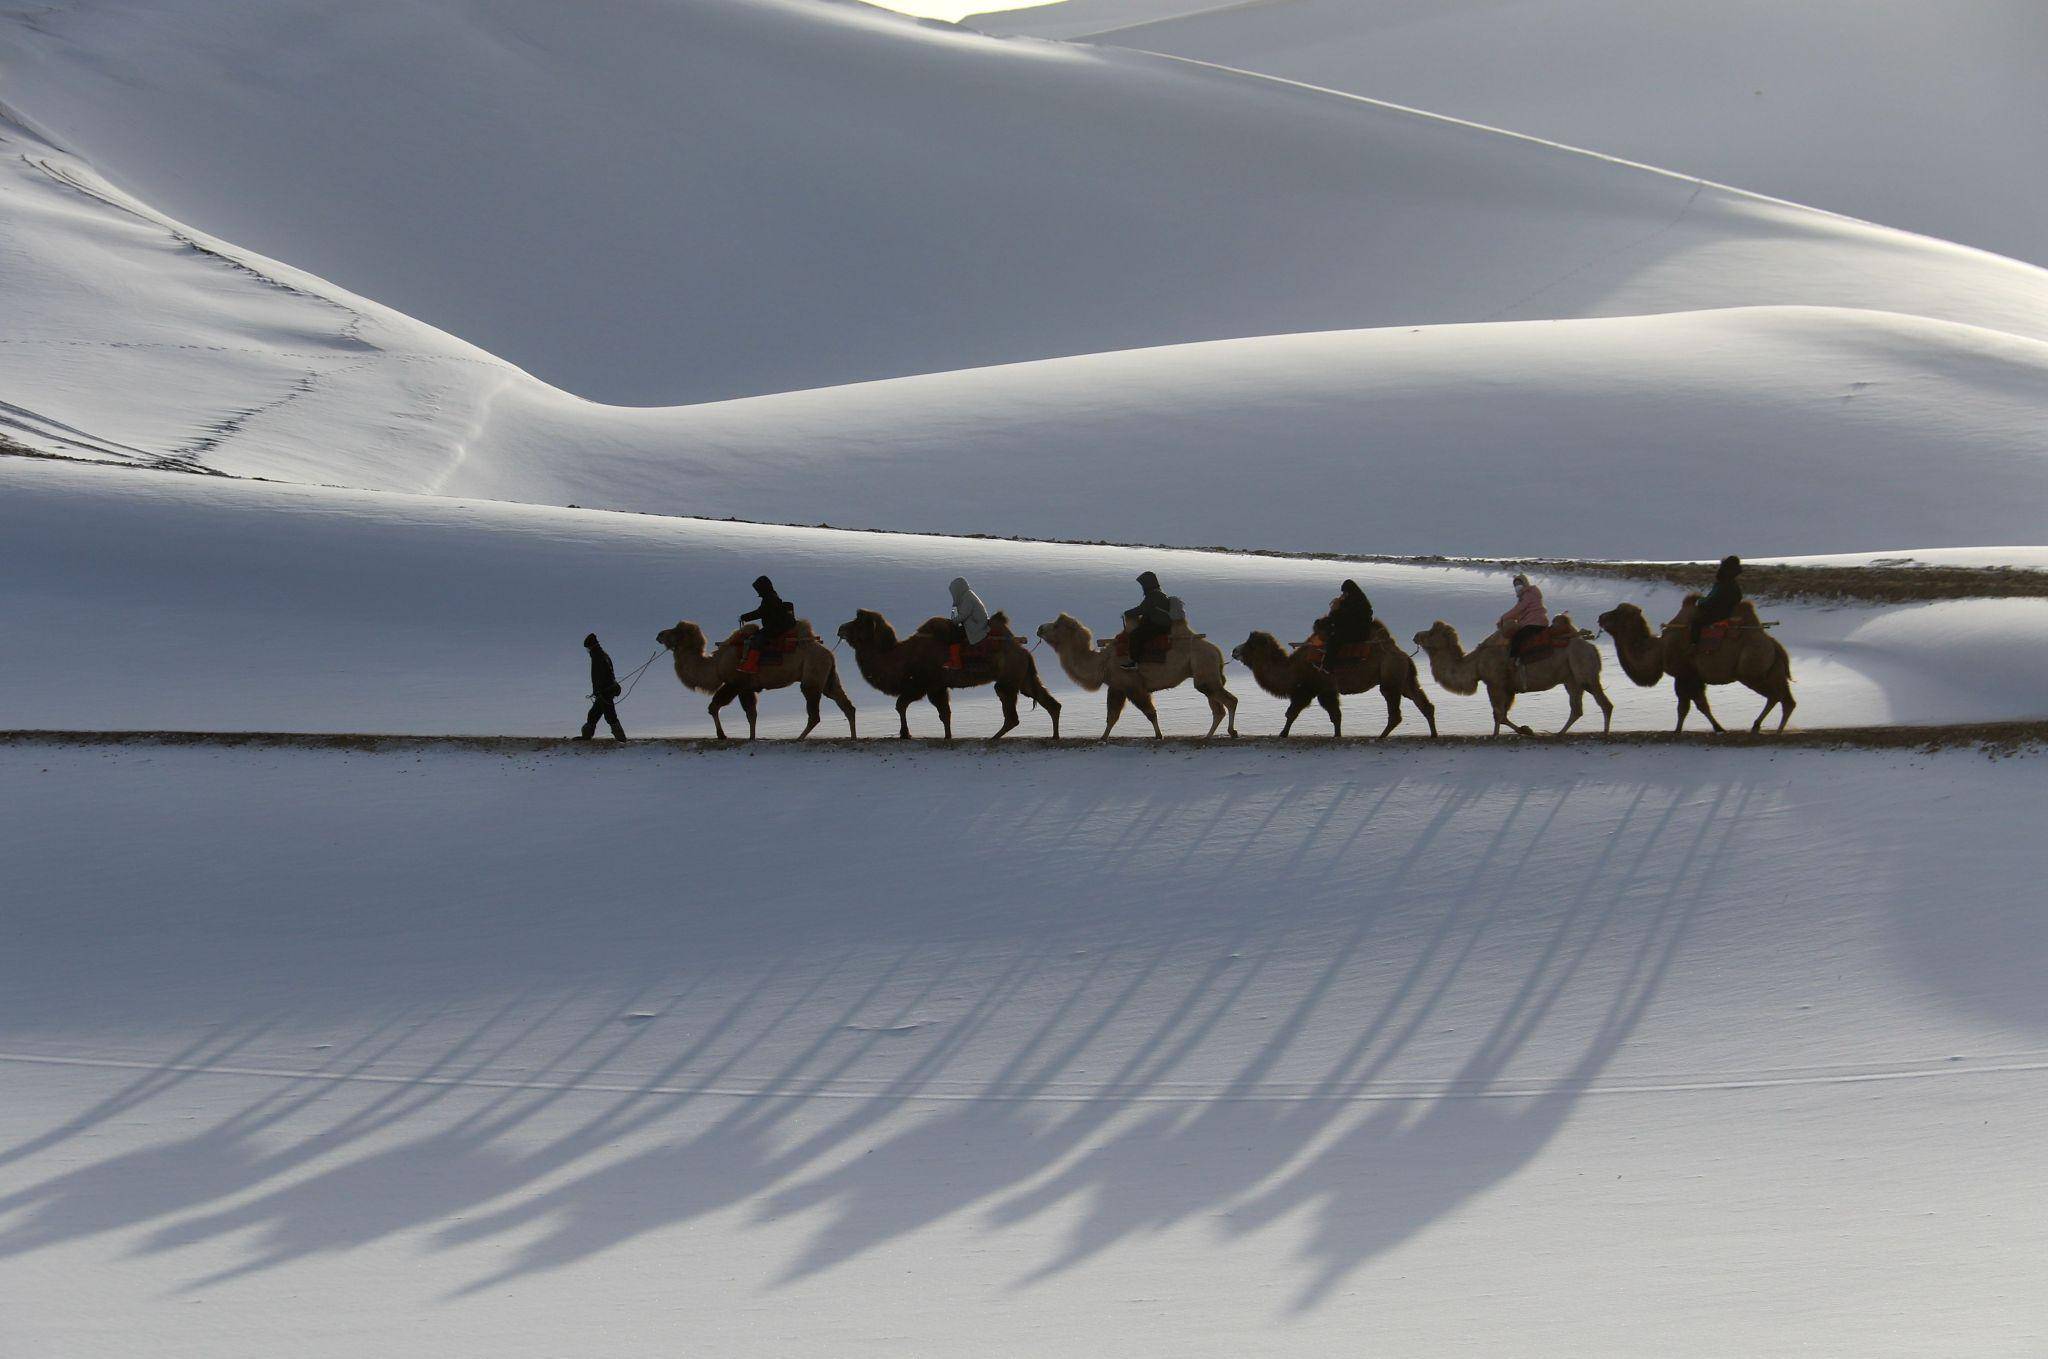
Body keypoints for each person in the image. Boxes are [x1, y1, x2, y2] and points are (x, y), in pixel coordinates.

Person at [738, 575, 797, 672]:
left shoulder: (769, 599)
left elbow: (761, 612)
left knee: (757, 639)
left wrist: (745, 617)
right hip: (776, 625)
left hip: (776, 627)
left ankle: (751, 665)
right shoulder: (771, 597)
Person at [1313, 579, 1376, 668]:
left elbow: (1344, 619)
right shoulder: (1349, 601)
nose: (1343, 595)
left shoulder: (1359, 603)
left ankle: (1327, 666)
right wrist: (1323, 622)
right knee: (1330, 632)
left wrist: (1335, 610)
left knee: (1334, 640)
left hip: (1359, 632)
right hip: (1350, 629)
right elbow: (1338, 618)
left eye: (1345, 592)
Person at [577, 632, 626, 741]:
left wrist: (600, 690)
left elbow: (601, 676)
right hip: (605, 691)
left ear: (591, 646)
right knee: (593, 714)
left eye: (588, 648)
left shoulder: (598, 656)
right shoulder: (601, 655)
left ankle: (621, 739)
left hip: (605, 692)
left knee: (610, 716)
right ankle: (587, 736)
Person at [1122, 570, 1174, 669]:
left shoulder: (1154, 596)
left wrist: (1127, 613)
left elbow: (1142, 609)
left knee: (1135, 635)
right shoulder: (1158, 594)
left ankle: (1134, 661)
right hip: (1161, 624)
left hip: (1159, 625)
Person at [1690, 555, 1745, 644]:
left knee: (1696, 623)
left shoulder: (1722, 585)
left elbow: (1711, 600)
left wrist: (1700, 602)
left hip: (1718, 614)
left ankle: (1694, 645)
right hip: (1729, 613)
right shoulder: (1735, 585)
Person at [1498, 573, 1549, 661]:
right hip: (1536, 621)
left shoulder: (1528, 595)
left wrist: (1503, 618)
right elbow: (1520, 612)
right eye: (1515, 585)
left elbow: (1518, 609)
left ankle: (1514, 660)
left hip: (1534, 622)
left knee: (1518, 637)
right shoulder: (1527, 594)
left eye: (1519, 584)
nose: (1517, 587)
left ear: (1525, 583)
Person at [946, 576, 992, 669]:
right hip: (975, 624)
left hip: (976, 627)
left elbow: (963, 615)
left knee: (955, 636)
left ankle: (956, 662)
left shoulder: (967, 598)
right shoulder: (967, 596)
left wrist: (953, 622)